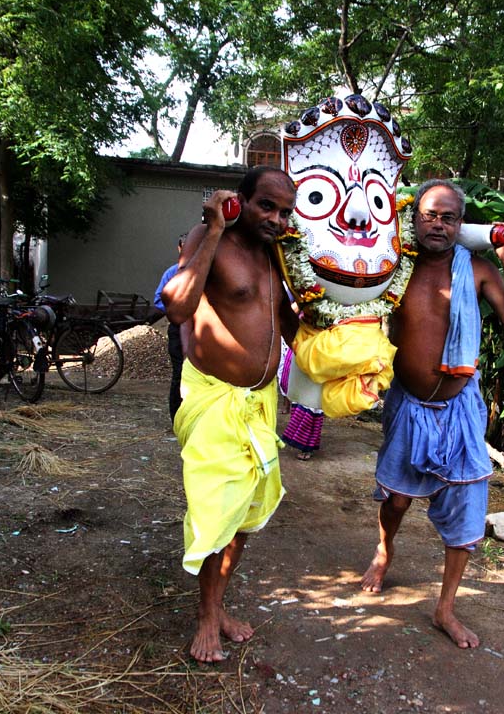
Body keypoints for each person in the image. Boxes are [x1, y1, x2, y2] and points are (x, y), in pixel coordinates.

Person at [360, 179, 504, 649]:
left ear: (461, 223)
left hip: (460, 410)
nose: (439, 224)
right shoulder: (394, 266)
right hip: (407, 404)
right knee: (396, 500)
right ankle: (384, 550)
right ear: (414, 218)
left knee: (466, 514)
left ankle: (446, 608)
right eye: (430, 215)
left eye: (449, 217)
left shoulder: (476, 270)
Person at [161, 166, 299, 663]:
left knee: (244, 517)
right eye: (267, 206)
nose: (277, 219)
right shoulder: (207, 236)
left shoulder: (279, 255)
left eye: (285, 211)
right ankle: (205, 620)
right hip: (214, 398)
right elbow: (177, 308)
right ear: (240, 200)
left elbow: (288, 325)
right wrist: (216, 229)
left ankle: (217, 607)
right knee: (217, 514)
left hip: (260, 403)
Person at [153, 233, 187, 421]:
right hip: (178, 328)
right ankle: (176, 417)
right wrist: (177, 309)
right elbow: (158, 300)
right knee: (179, 373)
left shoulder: (205, 272)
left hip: (200, 331)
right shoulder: (171, 273)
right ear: (179, 248)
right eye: (185, 247)